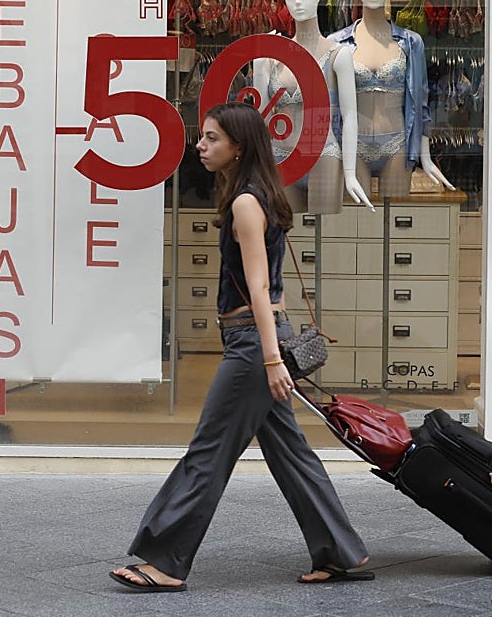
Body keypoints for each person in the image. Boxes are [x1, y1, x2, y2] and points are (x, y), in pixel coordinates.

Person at [110, 102, 372, 593]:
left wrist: (272, 358)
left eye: (211, 139)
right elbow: (276, 290)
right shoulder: (260, 196)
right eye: (202, 137)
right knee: (290, 452)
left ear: (239, 147)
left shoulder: (246, 204)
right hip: (262, 339)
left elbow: (258, 290)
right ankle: (340, 551)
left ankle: (165, 561)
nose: (200, 146)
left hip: (253, 346)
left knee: (209, 450)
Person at [329, 0, 456, 195]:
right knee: (356, 226)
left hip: (397, 144)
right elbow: (330, 104)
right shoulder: (337, 44)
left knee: (396, 226)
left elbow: (421, 102)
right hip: (353, 147)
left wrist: (425, 156)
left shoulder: (410, 43)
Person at [253, 0, 375, 213]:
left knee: (324, 236)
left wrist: (350, 173)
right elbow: (260, 119)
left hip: (324, 158)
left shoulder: (338, 55)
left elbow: (351, 116)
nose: (298, 2)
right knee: (287, 236)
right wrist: (258, 67)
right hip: (280, 157)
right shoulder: (271, 57)